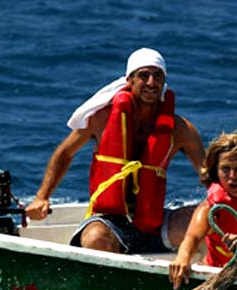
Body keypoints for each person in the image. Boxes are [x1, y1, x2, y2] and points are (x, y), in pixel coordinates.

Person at [25, 48, 205, 254]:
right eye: (144, 75)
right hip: (108, 220)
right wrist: (42, 196)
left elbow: (207, 173)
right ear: (129, 81)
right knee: (95, 239)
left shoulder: (180, 129)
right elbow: (64, 153)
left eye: (158, 76)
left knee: (211, 220)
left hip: (153, 223)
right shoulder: (102, 119)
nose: (151, 82)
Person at [168, 125, 237, 290]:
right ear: (216, 172)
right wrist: (182, 258)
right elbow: (191, 239)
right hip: (221, 283)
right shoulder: (211, 210)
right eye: (226, 169)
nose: (233, 177)